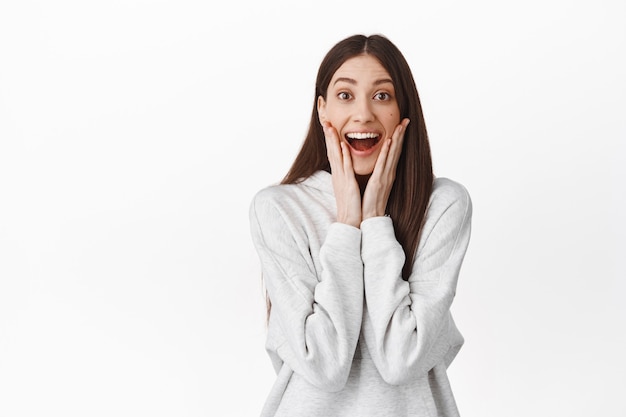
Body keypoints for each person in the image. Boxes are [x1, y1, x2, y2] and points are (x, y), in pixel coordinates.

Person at [249, 34, 472, 417]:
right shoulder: (279, 209)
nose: (364, 114)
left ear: (404, 110)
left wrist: (375, 224)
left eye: (382, 96)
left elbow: (400, 358)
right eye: (346, 95)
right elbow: (323, 365)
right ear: (323, 110)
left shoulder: (442, 204)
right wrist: (347, 225)